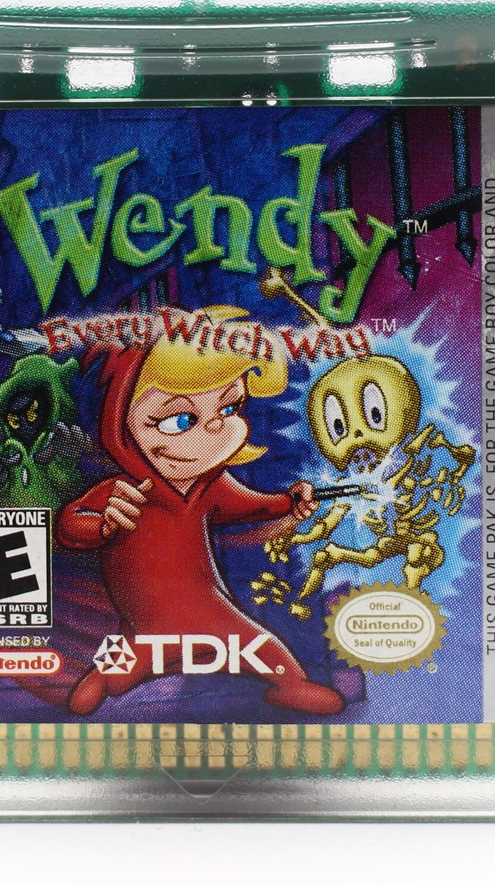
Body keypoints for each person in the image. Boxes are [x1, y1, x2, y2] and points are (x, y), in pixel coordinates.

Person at [56, 305, 345, 716]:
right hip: (143, 624)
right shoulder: (124, 491)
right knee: (117, 667)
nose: (212, 432)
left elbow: (252, 505)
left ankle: (291, 684)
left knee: (266, 651)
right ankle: (104, 676)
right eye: (178, 420)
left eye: (228, 409)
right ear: (122, 421)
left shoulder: (211, 485)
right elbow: (70, 525)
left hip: (208, 612)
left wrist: (289, 502)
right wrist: (101, 525)